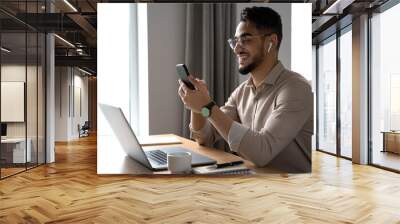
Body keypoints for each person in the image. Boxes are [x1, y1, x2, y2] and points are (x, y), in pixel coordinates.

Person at [178, 6, 313, 173]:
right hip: (254, 185)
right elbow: (206, 138)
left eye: (246, 39)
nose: (236, 48)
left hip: (292, 191)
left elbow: (262, 152)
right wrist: (197, 108)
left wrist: (207, 106)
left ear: (271, 42)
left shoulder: (296, 88)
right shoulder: (241, 92)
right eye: (235, 41)